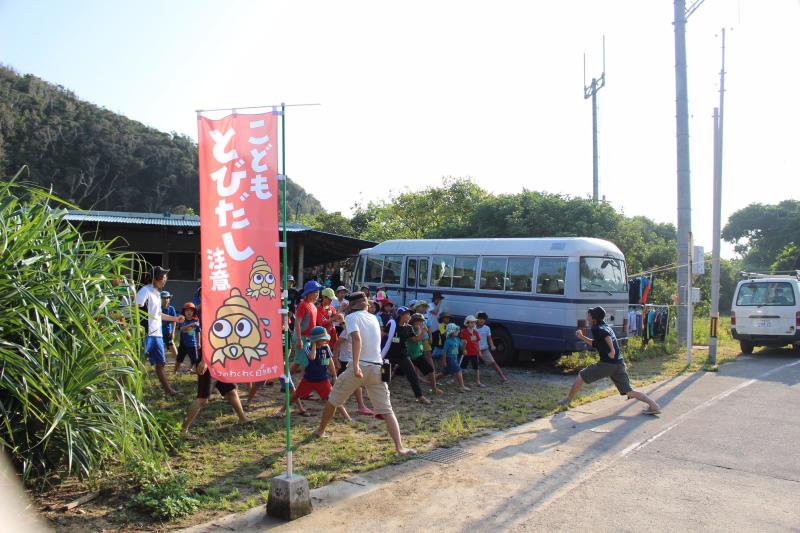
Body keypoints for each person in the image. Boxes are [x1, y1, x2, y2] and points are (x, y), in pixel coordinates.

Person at [314, 292, 415, 456]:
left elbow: (357, 338)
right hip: (377, 367)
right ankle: (400, 448)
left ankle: (320, 431)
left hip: (360, 367)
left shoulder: (353, 317)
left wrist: (354, 365)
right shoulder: (373, 318)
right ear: (367, 305)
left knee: (333, 399)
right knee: (387, 409)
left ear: (352, 306)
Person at [563, 307, 662, 414]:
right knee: (629, 392)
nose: (587, 318)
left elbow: (607, 337)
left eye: (589, 315)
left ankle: (567, 401)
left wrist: (612, 350)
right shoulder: (605, 326)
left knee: (581, 376)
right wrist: (582, 337)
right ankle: (654, 405)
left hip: (607, 364)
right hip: (618, 363)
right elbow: (596, 343)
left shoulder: (597, 328)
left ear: (594, 318)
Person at [276, 326, 352, 420]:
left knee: (333, 398)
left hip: (322, 380)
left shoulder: (326, 347)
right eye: (323, 339)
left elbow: (329, 361)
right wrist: (314, 345)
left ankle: (347, 417)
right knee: (295, 396)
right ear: (316, 340)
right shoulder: (307, 348)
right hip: (308, 379)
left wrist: (334, 375)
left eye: (325, 339)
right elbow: (312, 357)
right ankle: (282, 410)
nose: (325, 341)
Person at [136, 266, 184, 396]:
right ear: (154, 278)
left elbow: (159, 314)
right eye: (163, 277)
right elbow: (135, 308)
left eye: (165, 277)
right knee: (135, 363)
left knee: (161, 363)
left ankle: (168, 390)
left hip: (157, 335)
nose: (165, 280)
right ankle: (121, 392)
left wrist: (175, 318)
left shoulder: (157, 293)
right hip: (146, 334)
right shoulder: (145, 291)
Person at [181, 358, 248, 435]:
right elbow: (206, 345)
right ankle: (183, 430)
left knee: (231, 391)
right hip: (208, 364)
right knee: (202, 399)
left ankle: (243, 419)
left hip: (219, 362)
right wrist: (204, 361)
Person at [381, 307, 431, 404]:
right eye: (407, 314)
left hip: (402, 355)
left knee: (412, 375)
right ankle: (380, 395)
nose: (409, 316)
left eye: (409, 314)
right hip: (389, 355)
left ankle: (420, 396)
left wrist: (423, 332)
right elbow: (382, 334)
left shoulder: (408, 328)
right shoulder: (392, 324)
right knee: (384, 376)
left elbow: (415, 339)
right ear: (400, 315)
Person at [334, 320, 374, 416]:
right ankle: (361, 406)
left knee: (341, 382)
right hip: (345, 360)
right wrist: (335, 359)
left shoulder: (361, 330)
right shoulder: (348, 330)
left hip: (353, 360)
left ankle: (334, 401)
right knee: (351, 382)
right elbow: (337, 344)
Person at [408, 313, 442, 395]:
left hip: (417, 355)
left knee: (430, 370)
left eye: (421, 322)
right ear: (413, 322)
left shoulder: (419, 328)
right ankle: (386, 384)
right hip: (408, 356)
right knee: (397, 372)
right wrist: (423, 332)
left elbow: (421, 341)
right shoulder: (409, 329)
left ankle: (434, 389)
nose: (420, 323)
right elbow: (415, 339)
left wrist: (425, 333)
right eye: (418, 321)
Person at [292, 280, 322, 372]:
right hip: (302, 337)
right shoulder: (303, 305)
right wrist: (299, 339)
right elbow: (297, 322)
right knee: (305, 363)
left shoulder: (313, 305)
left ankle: (285, 382)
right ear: (308, 293)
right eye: (315, 292)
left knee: (298, 362)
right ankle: (289, 382)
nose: (317, 295)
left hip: (309, 338)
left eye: (318, 292)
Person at [475, 311, 509, 383]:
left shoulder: (487, 328)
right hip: (474, 349)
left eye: (483, 319)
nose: (482, 320)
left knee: (493, 363)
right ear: (476, 319)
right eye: (480, 318)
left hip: (484, 349)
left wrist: (492, 345)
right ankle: (476, 380)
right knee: (473, 364)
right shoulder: (473, 328)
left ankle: (503, 377)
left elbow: (489, 338)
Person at [441, 323, 470, 392]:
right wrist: (444, 361)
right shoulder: (448, 341)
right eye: (456, 330)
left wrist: (464, 346)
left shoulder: (457, 339)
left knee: (445, 372)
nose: (458, 331)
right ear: (451, 332)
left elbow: (461, 348)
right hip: (449, 358)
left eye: (457, 330)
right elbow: (444, 352)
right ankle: (461, 386)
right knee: (458, 371)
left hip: (454, 357)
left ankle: (432, 380)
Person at [174, 302, 201, 374]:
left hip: (193, 343)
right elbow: (182, 329)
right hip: (183, 344)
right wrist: (190, 325)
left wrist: (198, 342)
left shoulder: (196, 320)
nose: (189, 312)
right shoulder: (182, 319)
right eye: (187, 310)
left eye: (191, 310)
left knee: (195, 359)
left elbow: (198, 331)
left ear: (194, 312)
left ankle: (197, 372)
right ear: (184, 312)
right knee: (179, 359)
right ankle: (175, 371)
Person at [460, 315, 484, 387]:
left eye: (474, 322)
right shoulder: (463, 332)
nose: (473, 324)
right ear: (467, 323)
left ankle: (478, 382)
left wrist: (479, 351)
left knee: (476, 368)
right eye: (472, 322)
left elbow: (477, 342)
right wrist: (463, 349)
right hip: (466, 353)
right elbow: (462, 342)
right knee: (461, 367)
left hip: (474, 352)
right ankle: (456, 380)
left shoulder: (475, 332)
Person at [160, 291, 178, 362]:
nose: (166, 300)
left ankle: (178, 362)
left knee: (172, 346)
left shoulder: (171, 309)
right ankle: (161, 364)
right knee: (160, 349)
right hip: (159, 332)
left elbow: (174, 321)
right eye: (164, 298)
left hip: (168, 331)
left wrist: (173, 332)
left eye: (167, 298)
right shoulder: (157, 308)